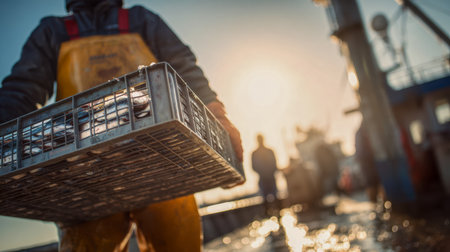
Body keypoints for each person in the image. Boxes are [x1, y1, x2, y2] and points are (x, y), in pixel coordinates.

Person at [0, 0, 243, 251]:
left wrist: (218, 115)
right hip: (85, 178)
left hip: (162, 165)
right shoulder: (53, 31)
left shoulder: (141, 20)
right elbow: (20, 91)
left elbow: (184, 68)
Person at [251, 134, 278, 215]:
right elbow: (254, 167)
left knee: (275, 196)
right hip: (263, 178)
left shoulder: (269, 151)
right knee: (265, 197)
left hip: (270, 177)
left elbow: (274, 164)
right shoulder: (255, 153)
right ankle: (268, 214)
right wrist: (263, 173)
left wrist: (270, 172)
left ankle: (277, 213)